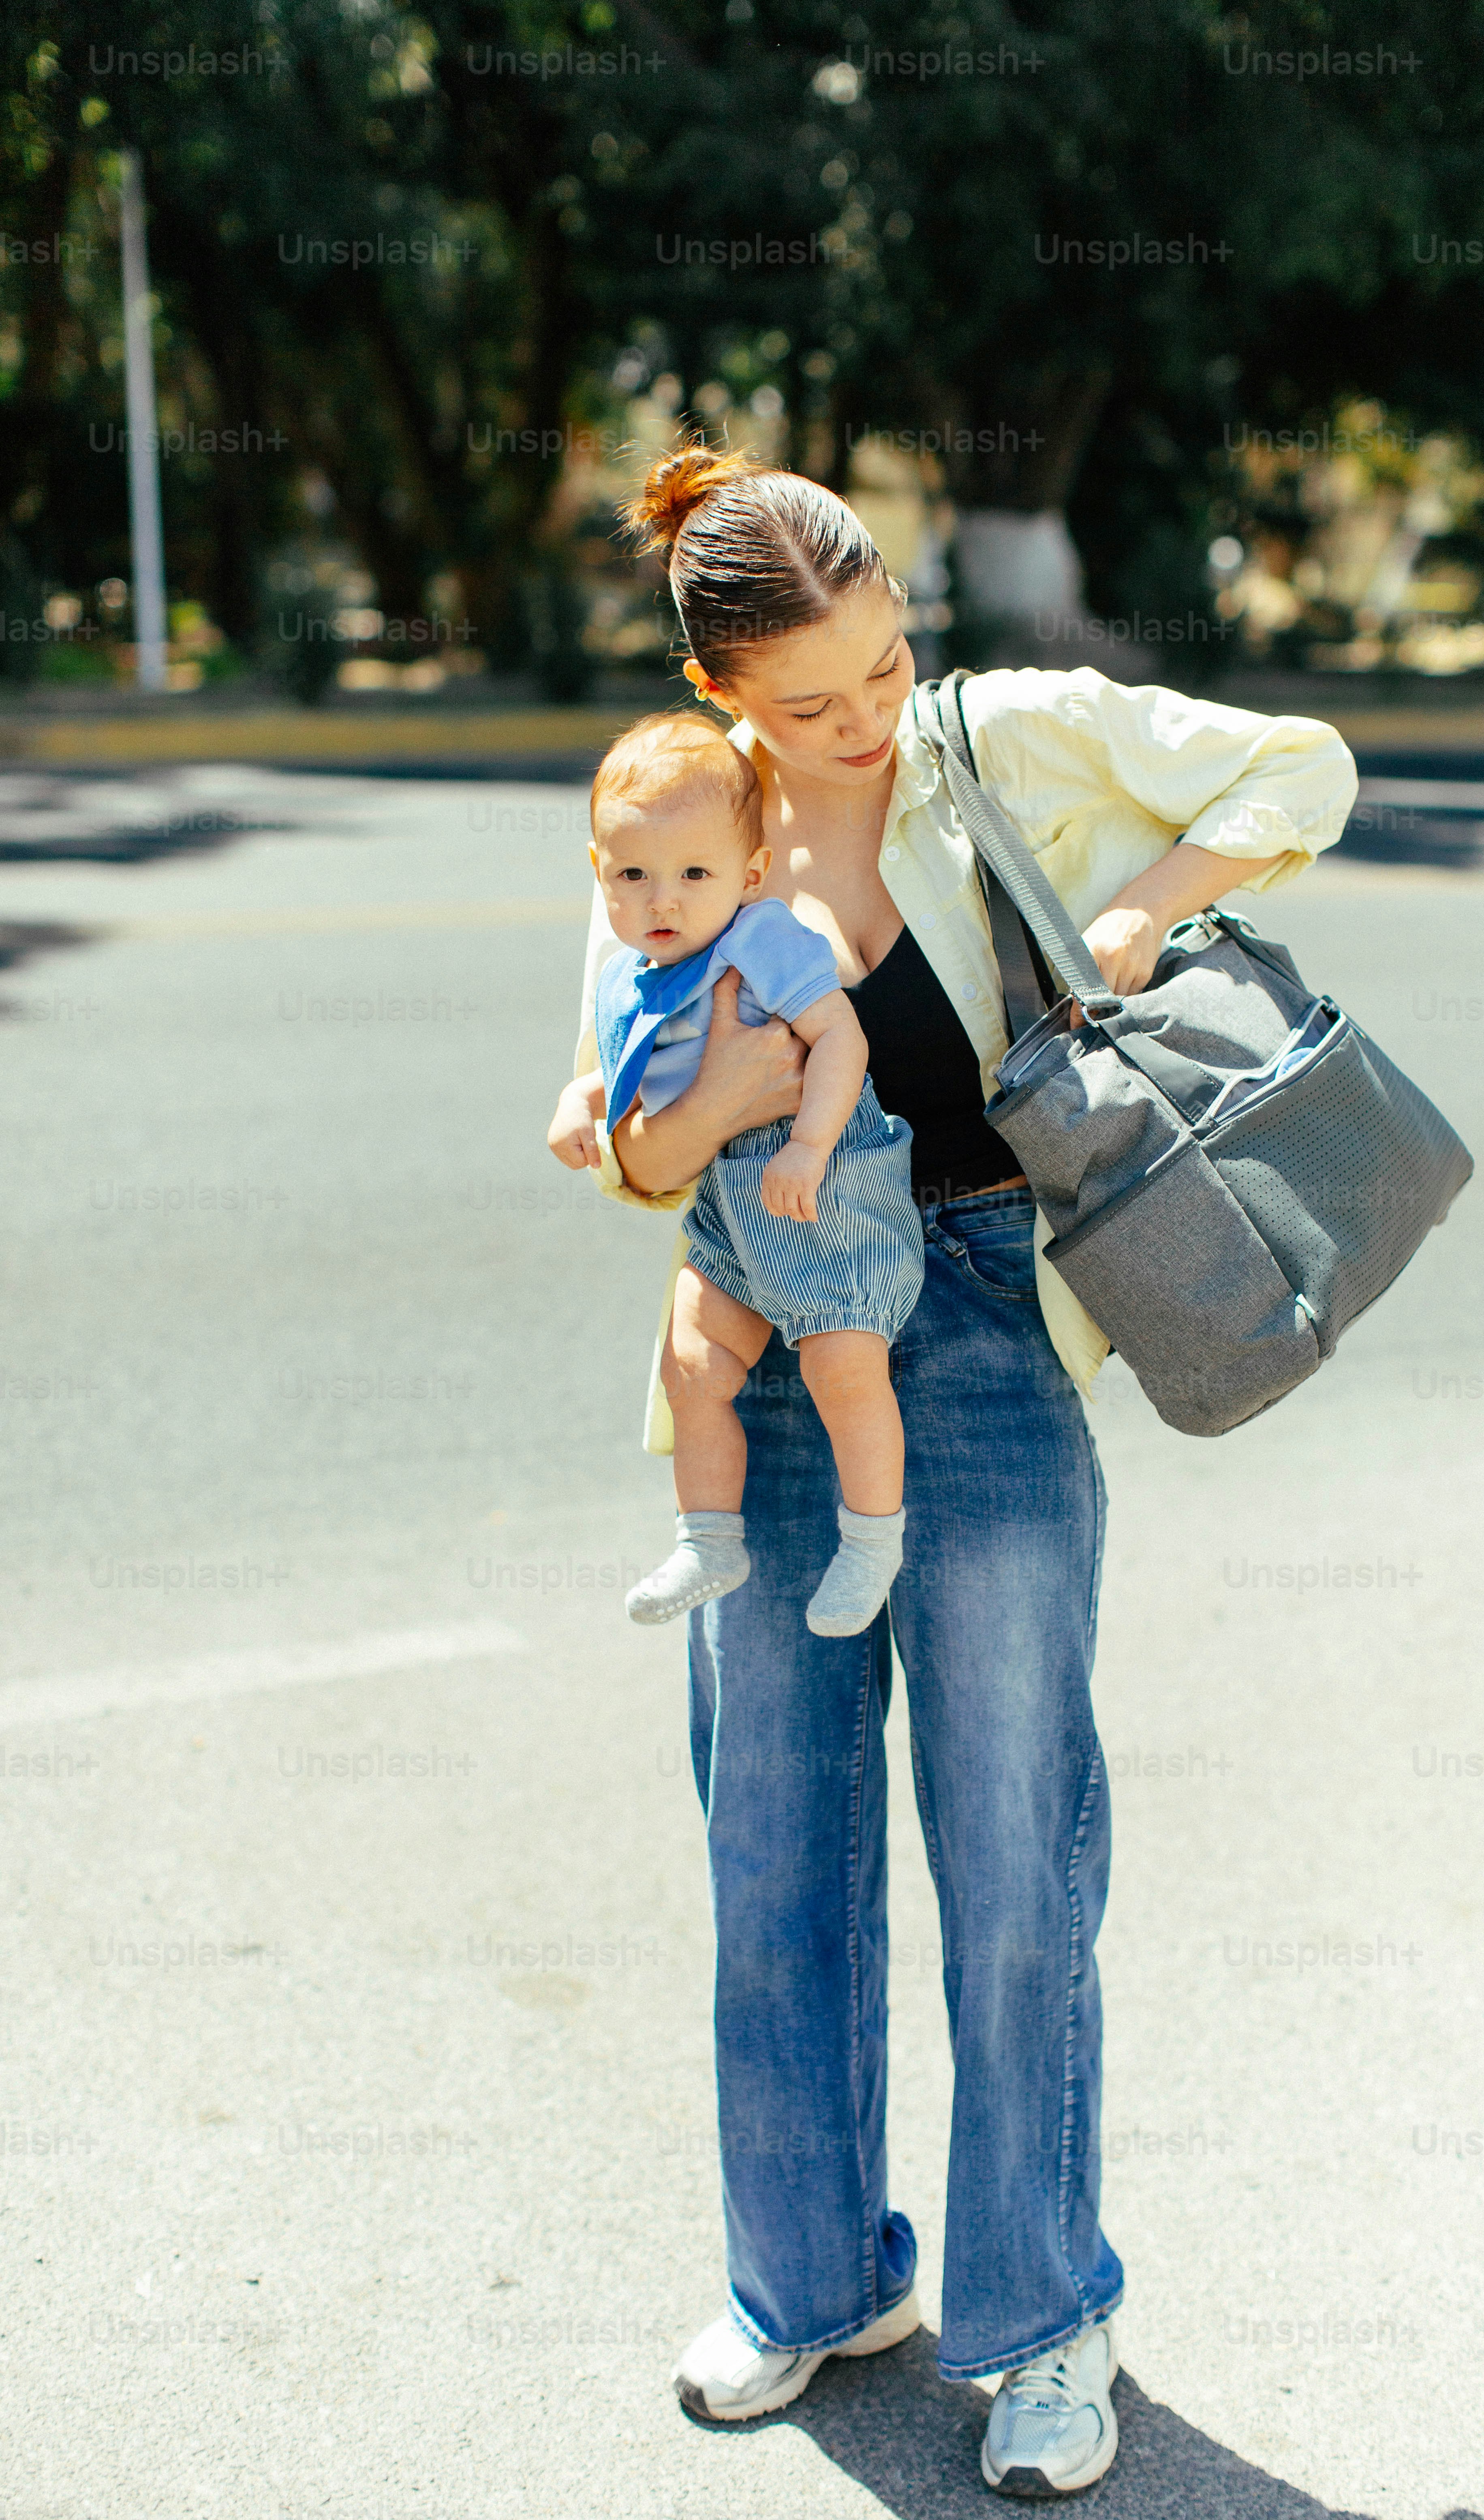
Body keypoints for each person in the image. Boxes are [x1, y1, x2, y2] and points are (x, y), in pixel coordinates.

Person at [548, 442, 1356, 2498]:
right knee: (773, 1849)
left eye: (885, 662)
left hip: (986, 1324)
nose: (867, 717)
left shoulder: (1006, 734)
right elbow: (637, 1145)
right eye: (814, 701)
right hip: (768, 1314)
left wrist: (1144, 896)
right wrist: (743, 1081)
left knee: (1013, 1850)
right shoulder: (678, 818)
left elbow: (1303, 767)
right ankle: (813, 2280)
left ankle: (1041, 2318)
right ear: (729, 693)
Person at [552, 712, 924, 1635]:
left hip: (821, 1188)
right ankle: (708, 1536)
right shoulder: (636, 972)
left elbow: (841, 1034)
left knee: (846, 1365)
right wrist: (582, 1097)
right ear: (601, 873)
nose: (663, 899)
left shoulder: (761, 939)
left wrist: (808, 1143)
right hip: (727, 1205)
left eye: (693, 874)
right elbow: (638, 1061)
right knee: (694, 1367)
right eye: (634, 874)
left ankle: (875, 1537)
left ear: (750, 874)